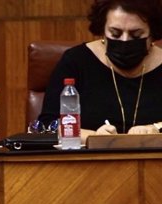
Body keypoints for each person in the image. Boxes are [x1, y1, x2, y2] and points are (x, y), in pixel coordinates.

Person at [38, 0, 162, 142]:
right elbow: (48, 125)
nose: (125, 40)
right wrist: (93, 137)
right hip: (88, 161)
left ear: (152, 33)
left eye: (136, 35)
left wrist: (156, 128)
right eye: (115, 34)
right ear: (102, 31)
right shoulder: (76, 61)